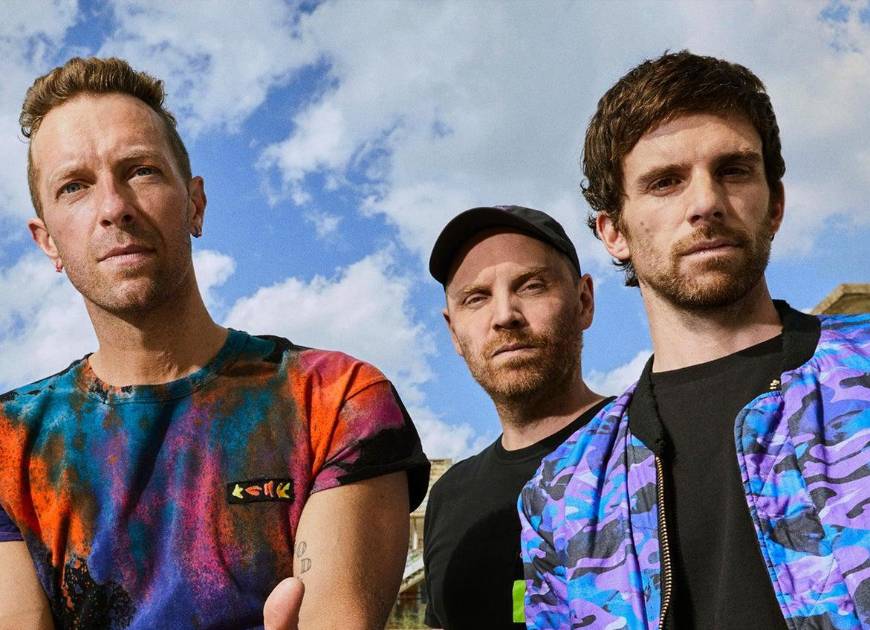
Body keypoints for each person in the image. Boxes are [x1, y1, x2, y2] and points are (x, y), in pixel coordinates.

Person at [0, 56, 430, 630]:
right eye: (74, 186)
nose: (114, 208)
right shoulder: (9, 443)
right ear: (47, 241)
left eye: (141, 171)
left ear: (195, 204)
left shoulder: (335, 401)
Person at [519, 50, 870, 629]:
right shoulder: (561, 494)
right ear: (613, 232)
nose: (705, 203)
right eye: (665, 182)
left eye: (733, 171)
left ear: (775, 204)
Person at [423, 205, 611, 629]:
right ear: (453, 332)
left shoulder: (650, 445)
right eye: (477, 298)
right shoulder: (449, 497)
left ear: (584, 301)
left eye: (531, 286)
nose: (505, 315)